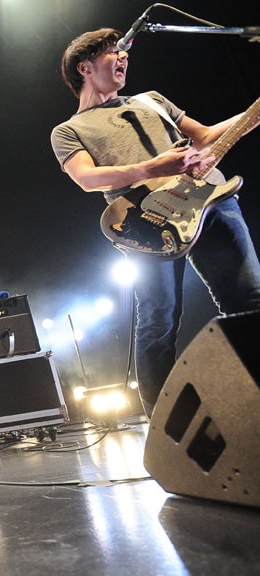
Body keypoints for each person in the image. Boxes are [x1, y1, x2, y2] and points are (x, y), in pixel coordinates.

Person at [50, 28, 260, 416]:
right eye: (113, 51)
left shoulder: (152, 100)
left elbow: (205, 137)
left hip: (211, 201)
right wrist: (153, 167)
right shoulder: (68, 131)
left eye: (124, 52)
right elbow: (87, 178)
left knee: (250, 300)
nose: (124, 57)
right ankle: (166, 423)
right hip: (146, 221)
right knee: (159, 318)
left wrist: (251, 114)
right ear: (84, 67)